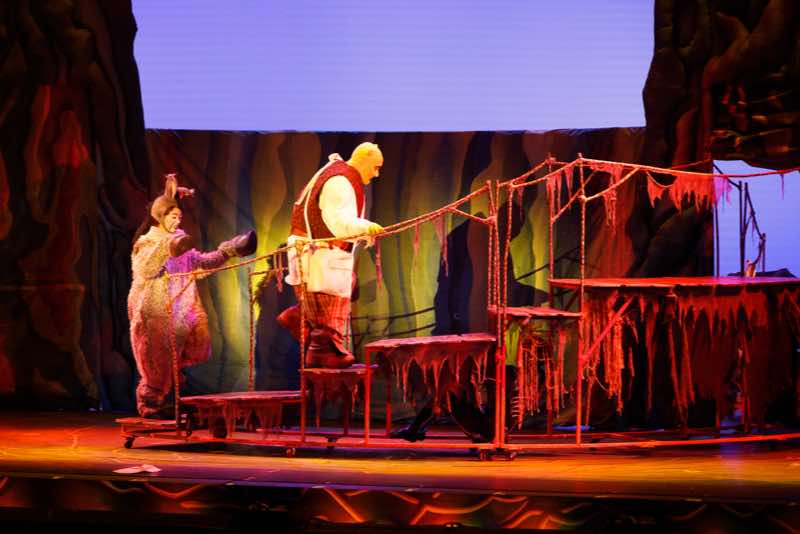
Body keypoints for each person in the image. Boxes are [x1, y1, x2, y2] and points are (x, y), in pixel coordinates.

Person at [127, 174, 256, 418]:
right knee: (157, 355)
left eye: (179, 217)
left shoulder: (180, 240)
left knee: (190, 346)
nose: (177, 221)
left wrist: (229, 250)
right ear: (160, 216)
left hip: (181, 307)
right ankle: (151, 403)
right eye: (172, 216)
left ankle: (171, 397)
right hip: (154, 309)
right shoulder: (147, 242)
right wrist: (168, 248)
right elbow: (145, 269)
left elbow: (201, 262)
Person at [277, 142, 384, 368]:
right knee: (328, 309)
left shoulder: (338, 174)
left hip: (318, 254)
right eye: (375, 167)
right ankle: (322, 349)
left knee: (338, 292)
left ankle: (300, 317)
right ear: (364, 157)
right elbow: (337, 221)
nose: (376, 174)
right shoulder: (340, 180)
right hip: (319, 255)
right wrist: (365, 227)